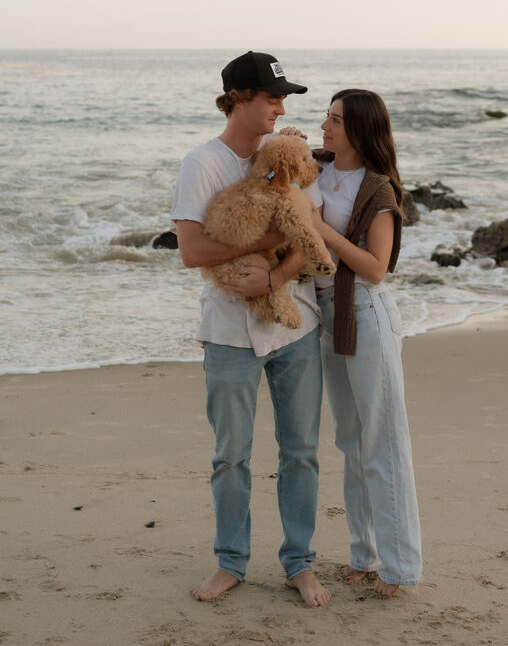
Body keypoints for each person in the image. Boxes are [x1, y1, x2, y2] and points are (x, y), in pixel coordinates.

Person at [171, 50, 331, 608]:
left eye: (282, 98)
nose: (280, 108)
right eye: (271, 98)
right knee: (230, 454)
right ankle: (230, 562)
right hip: (229, 332)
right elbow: (192, 250)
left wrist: (274, 276)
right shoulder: (202, 164)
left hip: (297, 326)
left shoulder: (288, 157)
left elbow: (310, 235)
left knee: (302, 451)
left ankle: (299, 564)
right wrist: (265, 244)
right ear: (238, 99)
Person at [311, 89, 422, 598]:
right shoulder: (315, 170)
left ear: (358, 130)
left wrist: (324, 235)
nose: (325, 126)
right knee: (351, 442)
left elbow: (376, 270)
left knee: (383, 445)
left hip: (365, 316)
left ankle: (400, 568)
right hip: (327, 317)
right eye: (326, 117)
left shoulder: (377, 189)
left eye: (334, 120)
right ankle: (364, 554)